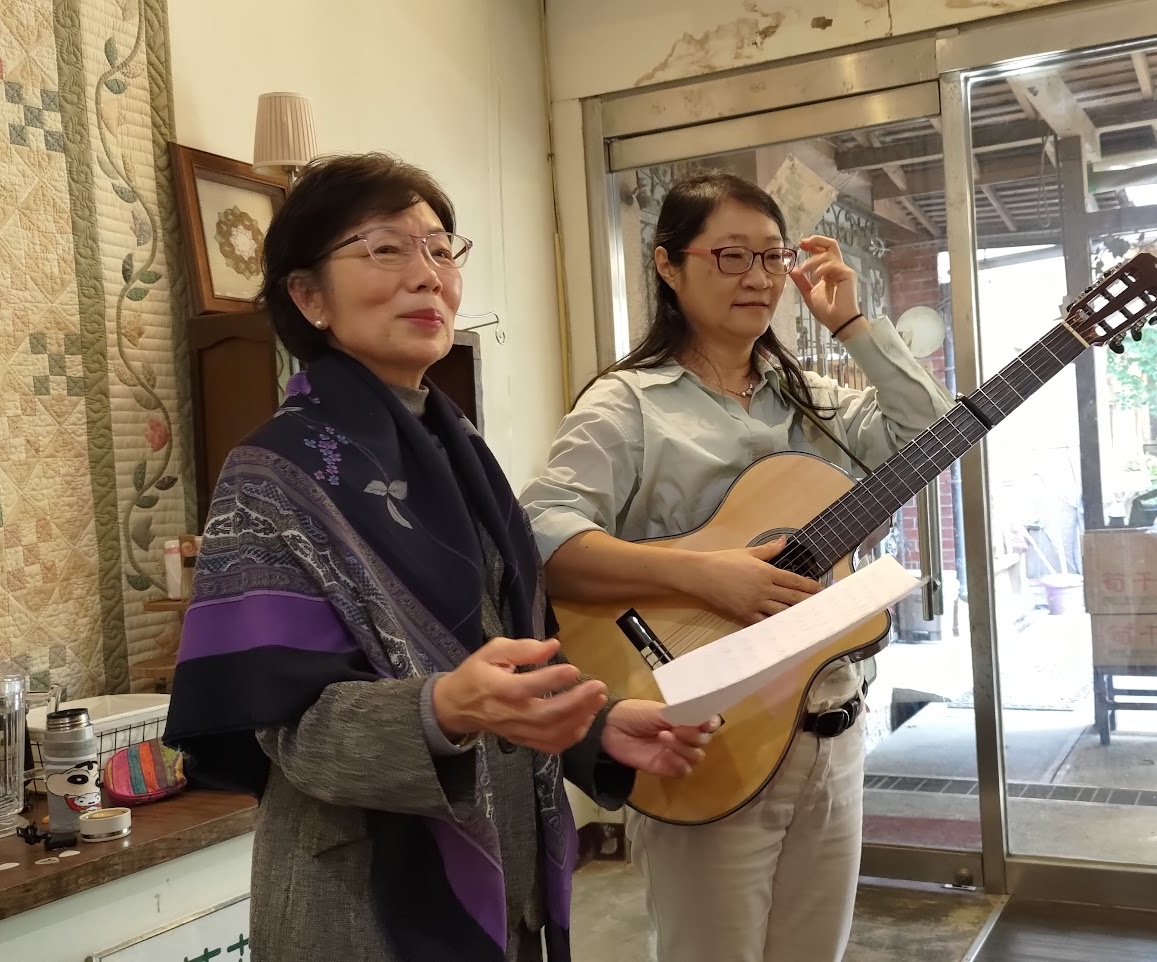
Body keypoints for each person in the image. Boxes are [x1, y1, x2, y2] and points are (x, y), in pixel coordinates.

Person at [162, 153, 713, 962]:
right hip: (363, 906)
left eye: (439, 249)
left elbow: (498, 670)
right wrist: (444, 709)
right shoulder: (272, 477)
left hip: (514, 878)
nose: (427, 276)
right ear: (308, 296)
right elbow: (296, 734)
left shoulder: (463, 453)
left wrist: (593, 728)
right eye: (385, 249)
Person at [518, 171, 952, 962]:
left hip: (832, 727)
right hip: (703, 731)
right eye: (729, 256)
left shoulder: (814, 400)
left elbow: (930, 437)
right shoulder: (627, 404)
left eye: (770, 256)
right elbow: (539, 534)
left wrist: (855, 323)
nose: (757, 278)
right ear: (667, 266)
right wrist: (703, 575)